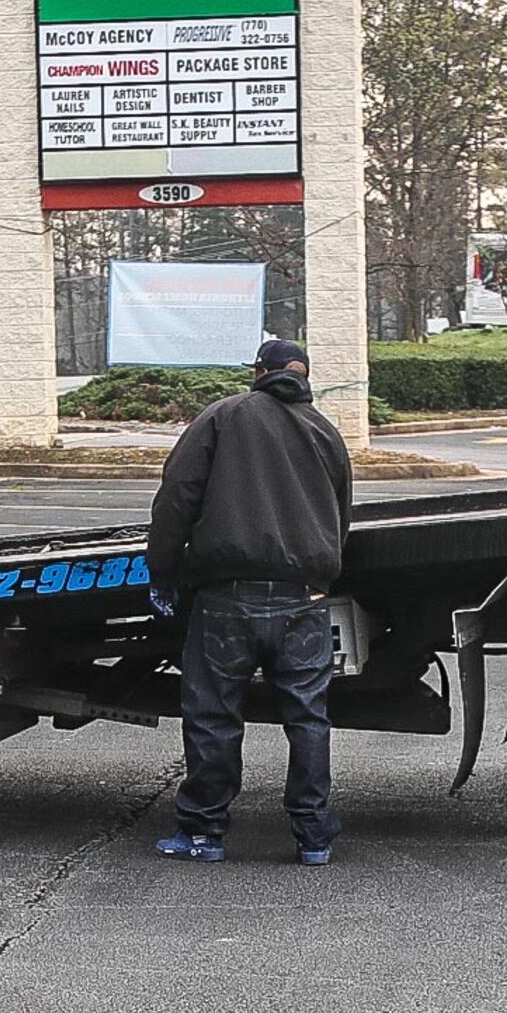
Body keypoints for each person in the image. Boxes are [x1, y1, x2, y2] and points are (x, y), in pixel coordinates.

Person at [143, 337, 353, 866]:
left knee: (214, 715)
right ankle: (313, 837)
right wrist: (322, 572)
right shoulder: (325, 432)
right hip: (303, 597)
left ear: (258, 372)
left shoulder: (223, 417)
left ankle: (203, 833)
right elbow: (340, 513)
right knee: (307, 717)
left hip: (227, 598)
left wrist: (163, 571)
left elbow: (177, 497)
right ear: (303, 375)